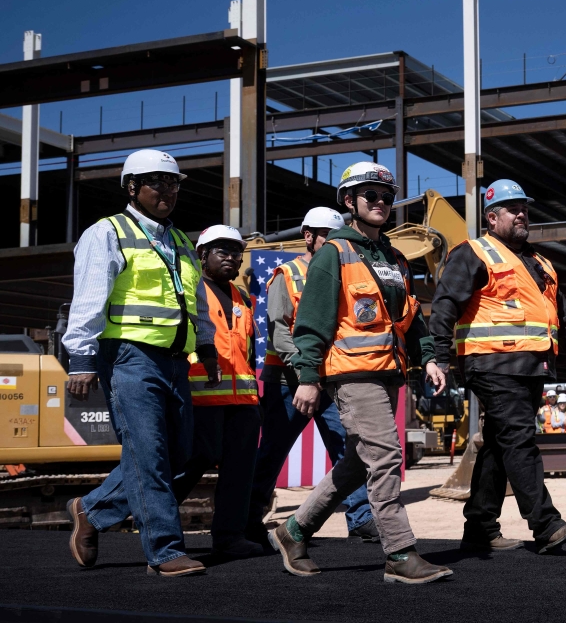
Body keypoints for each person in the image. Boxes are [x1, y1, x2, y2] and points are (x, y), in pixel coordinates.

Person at [267, 162, 451, 584]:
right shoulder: (334, 252)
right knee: (385, 457)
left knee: (355, 462)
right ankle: (400, 553)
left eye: (387, 197)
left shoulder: (393, 255)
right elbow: (311, 323)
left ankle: (293, 531)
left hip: (388, 372)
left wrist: (430, 358)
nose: (381, 204)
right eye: (371, 196)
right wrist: (310, 377)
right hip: (350, 375)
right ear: (349, 201)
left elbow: (412, 318)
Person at [63, 149, 212, 576]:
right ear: (132, 188)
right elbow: (89, 297)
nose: (167, 190)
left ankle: (90, 511)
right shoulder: (107, 232)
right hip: (128, 357)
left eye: (173, 183)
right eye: (156, 182)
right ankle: (165, 552)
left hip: (174, 360)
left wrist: (206, 346)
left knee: (182, 454)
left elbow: (195, 301)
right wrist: (81, 359)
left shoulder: (181, 240)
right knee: (149, 454)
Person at [430, 178, 566, 555]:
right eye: (513, 209)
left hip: (531, 367)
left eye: (525, 208)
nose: (522, 214)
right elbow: (443, 307)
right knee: (519, 439)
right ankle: (546, 524)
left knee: (498, 446)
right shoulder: (473, 253)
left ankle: (480, 529)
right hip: (491, 364)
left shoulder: (541, 264)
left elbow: (563, 315)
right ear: (492, 218)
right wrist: (439, 358)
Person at [245, 207, 377, 549]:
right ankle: (248, 519)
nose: (335, 242)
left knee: (349, 450)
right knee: (273, 452)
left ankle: (361, 518)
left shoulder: (342, 271)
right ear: (308, 235)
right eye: (327, 236)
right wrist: (307, 372)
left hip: (330, 380)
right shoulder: (288, 273)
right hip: (290, 383)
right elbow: (279, 333)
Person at [171, 225, 262, 558]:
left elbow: (245, 351)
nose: (231, 258)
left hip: (243, 401)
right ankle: (156, 525)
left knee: (239, 473)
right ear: (202, 255)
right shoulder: (190, 289)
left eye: (236, 252)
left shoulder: (241, 297)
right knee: (188, 468)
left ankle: (230, 538)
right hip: (202, 399)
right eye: (222, 251)